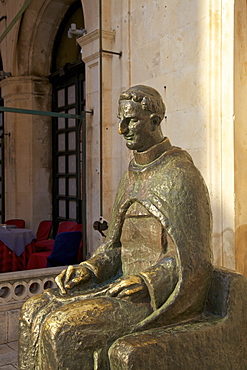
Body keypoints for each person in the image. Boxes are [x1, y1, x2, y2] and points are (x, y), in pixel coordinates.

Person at [18, 85, 213, 369]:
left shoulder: (181, 174)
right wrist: (90, 269)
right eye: (120, 120)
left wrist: (147, 280)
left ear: (155, 121)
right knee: (32, 310)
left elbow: (193, 258)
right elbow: (114, 247)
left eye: (132, 120)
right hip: (117, 286)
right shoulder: (130, 174)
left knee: (61, 327)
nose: (122, 129)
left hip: (153, 298)